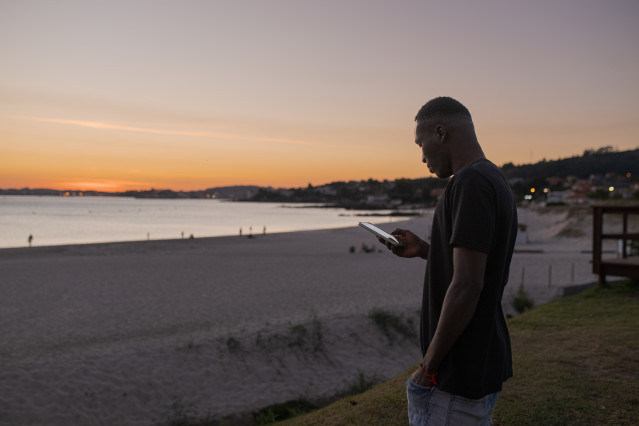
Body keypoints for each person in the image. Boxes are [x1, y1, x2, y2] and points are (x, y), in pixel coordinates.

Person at [379, 97, 517, 425]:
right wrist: (427, 250)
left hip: (457, 369)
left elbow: (468, 285)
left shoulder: (471, 182)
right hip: (474, 358)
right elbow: (475, 264)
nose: (422, 156)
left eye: (420, 143)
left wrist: (429, 366)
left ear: (440, 132)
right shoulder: (491, 178)